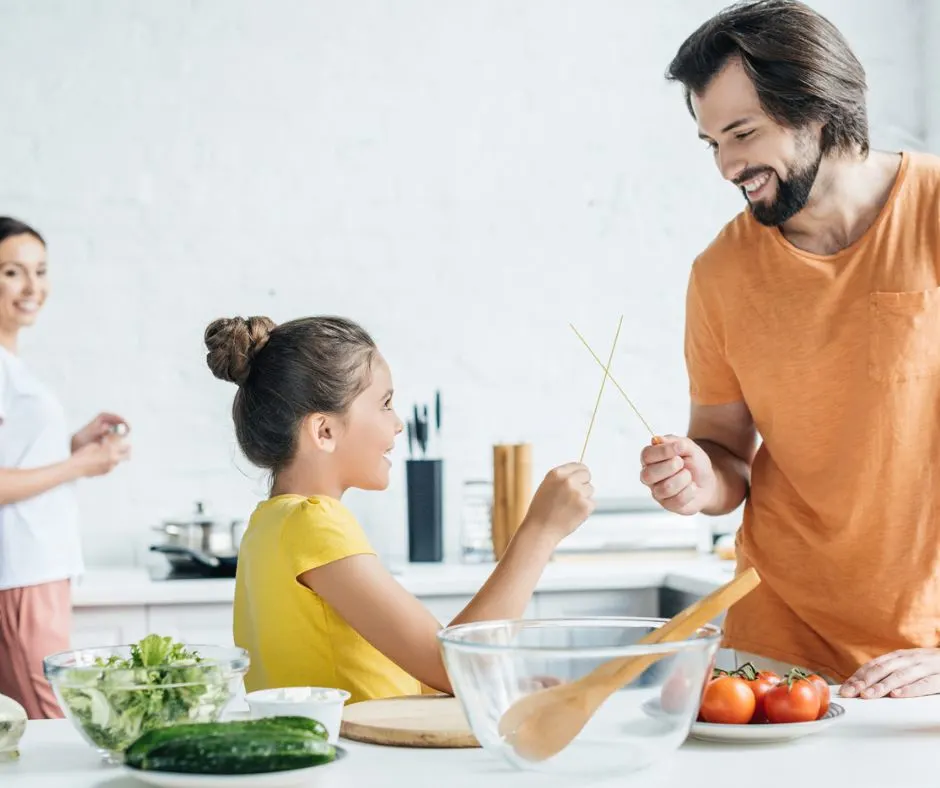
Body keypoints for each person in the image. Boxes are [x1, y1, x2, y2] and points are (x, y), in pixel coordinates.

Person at [639, 0, 940, 700]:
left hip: (923, 658)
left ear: (817, 107)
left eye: (741, 132)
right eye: (712, 143)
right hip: (771, 654)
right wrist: (697, 478)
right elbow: (724, 453)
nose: (727, 166)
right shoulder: (720, 275)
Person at [205, 315, 595, 702]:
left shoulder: (269, 524)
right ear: (324, 431)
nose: (398, 424)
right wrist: (540, 532)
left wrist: (504, 687)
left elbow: (382, 668)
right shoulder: (315, 524)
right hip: (365, 762)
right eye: (385, 404)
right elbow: (455, 666)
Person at [0, 216, 131, 719]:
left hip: (39, 573)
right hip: (23, 574)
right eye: (13, 272)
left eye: (41, 270)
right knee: (52, 723)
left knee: (36, 727)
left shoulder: (15, 364)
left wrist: (74, 445)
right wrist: (79, 463)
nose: (33, 287)